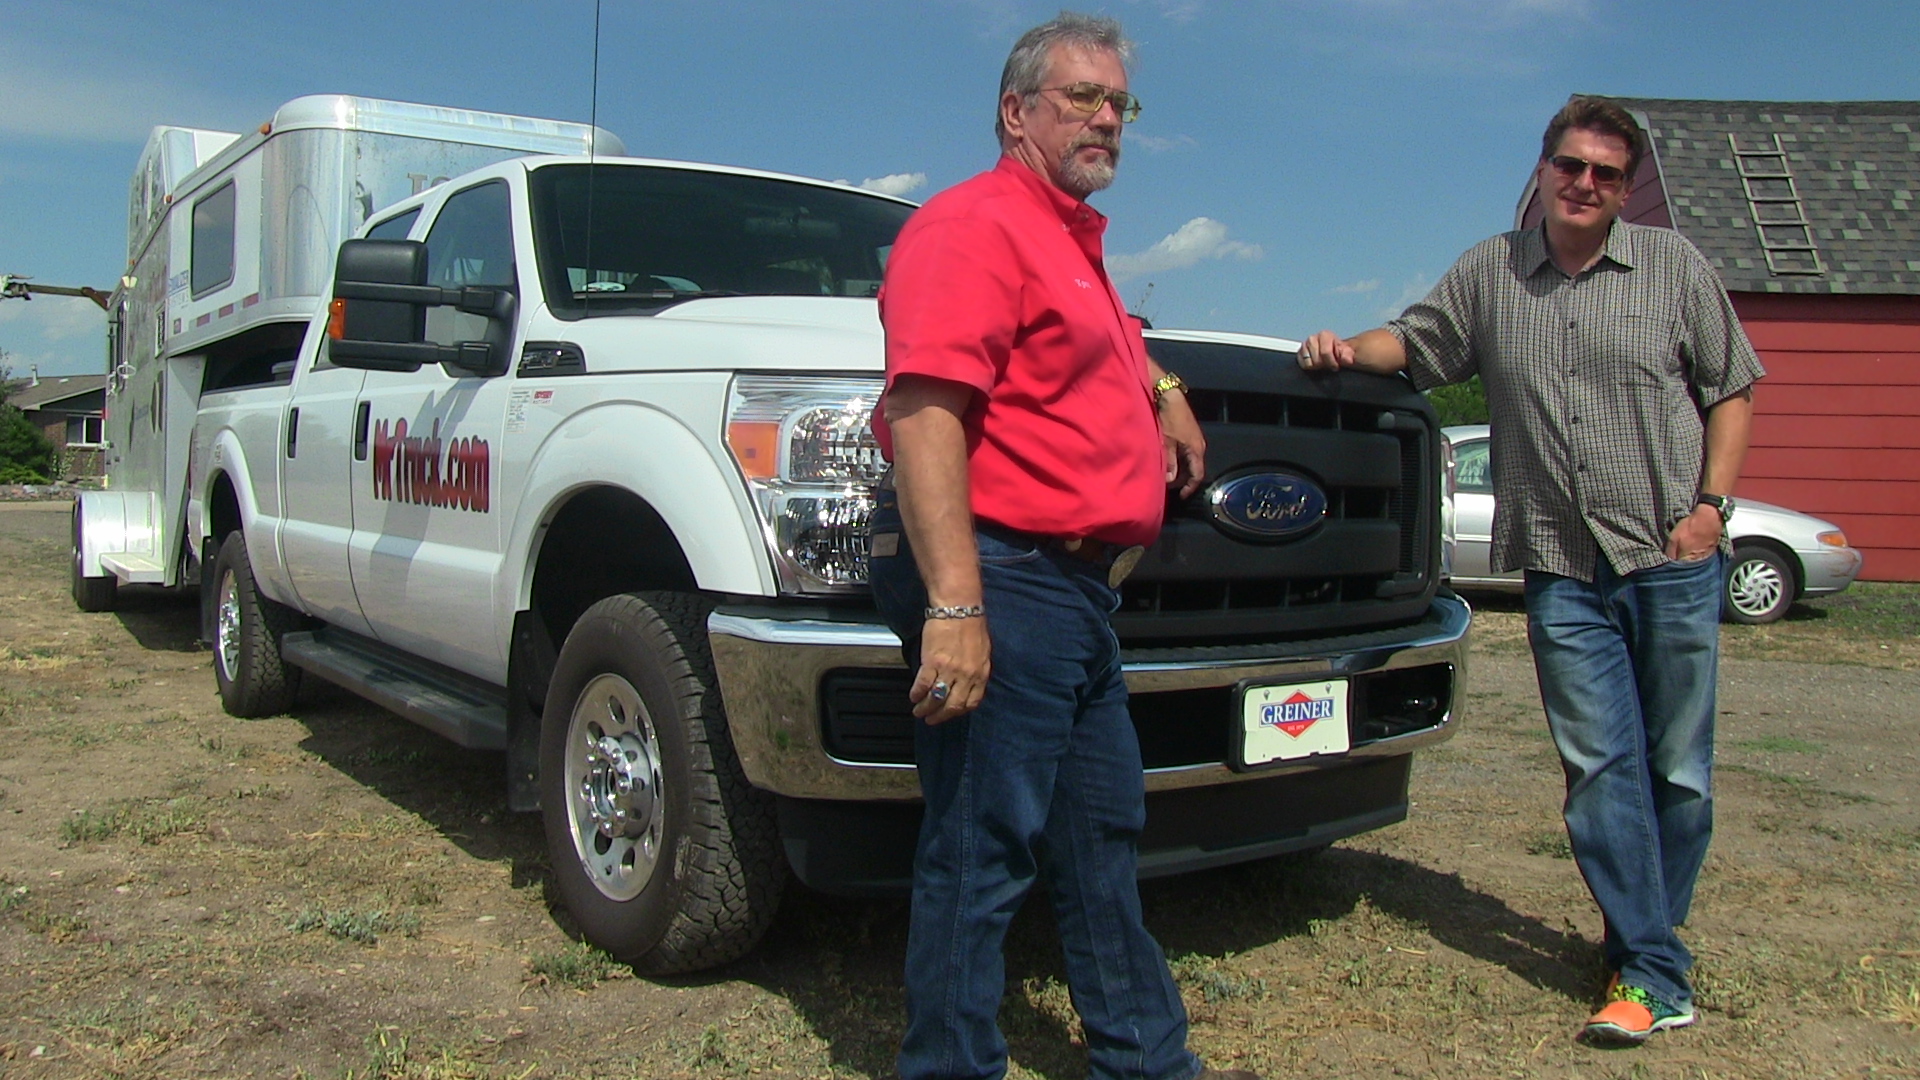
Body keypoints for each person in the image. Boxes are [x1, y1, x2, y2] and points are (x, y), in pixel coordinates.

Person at [1298, 96, 1764, 1047]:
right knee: (1598, 769)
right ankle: (1653, 964)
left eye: (1605, 172)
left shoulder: (1672, 267)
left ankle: (1642, 949)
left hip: (1666, 555)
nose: (1584, 184)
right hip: (1559, 564)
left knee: (1678, 770)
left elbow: (1733, 386)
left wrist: (1710, 510)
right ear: (1544, 170)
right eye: (1570, 165)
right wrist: (1345, 349)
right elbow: (1416, 344)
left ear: (1625, 190)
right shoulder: (1493, 271)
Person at [866, 12, 1259, 1080]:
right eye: (1081, 97)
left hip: (1075, 595)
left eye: (1118, 103)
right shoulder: (972, 225)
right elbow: (926, 414)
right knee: (979, 849)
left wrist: (1164, 387)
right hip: (1003, 574)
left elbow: (1102, 337)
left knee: (1099, 840)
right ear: (1015, 112)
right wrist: (956, 606)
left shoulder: (1064, 240)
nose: (1106, 118)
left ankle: (1145, 1058)